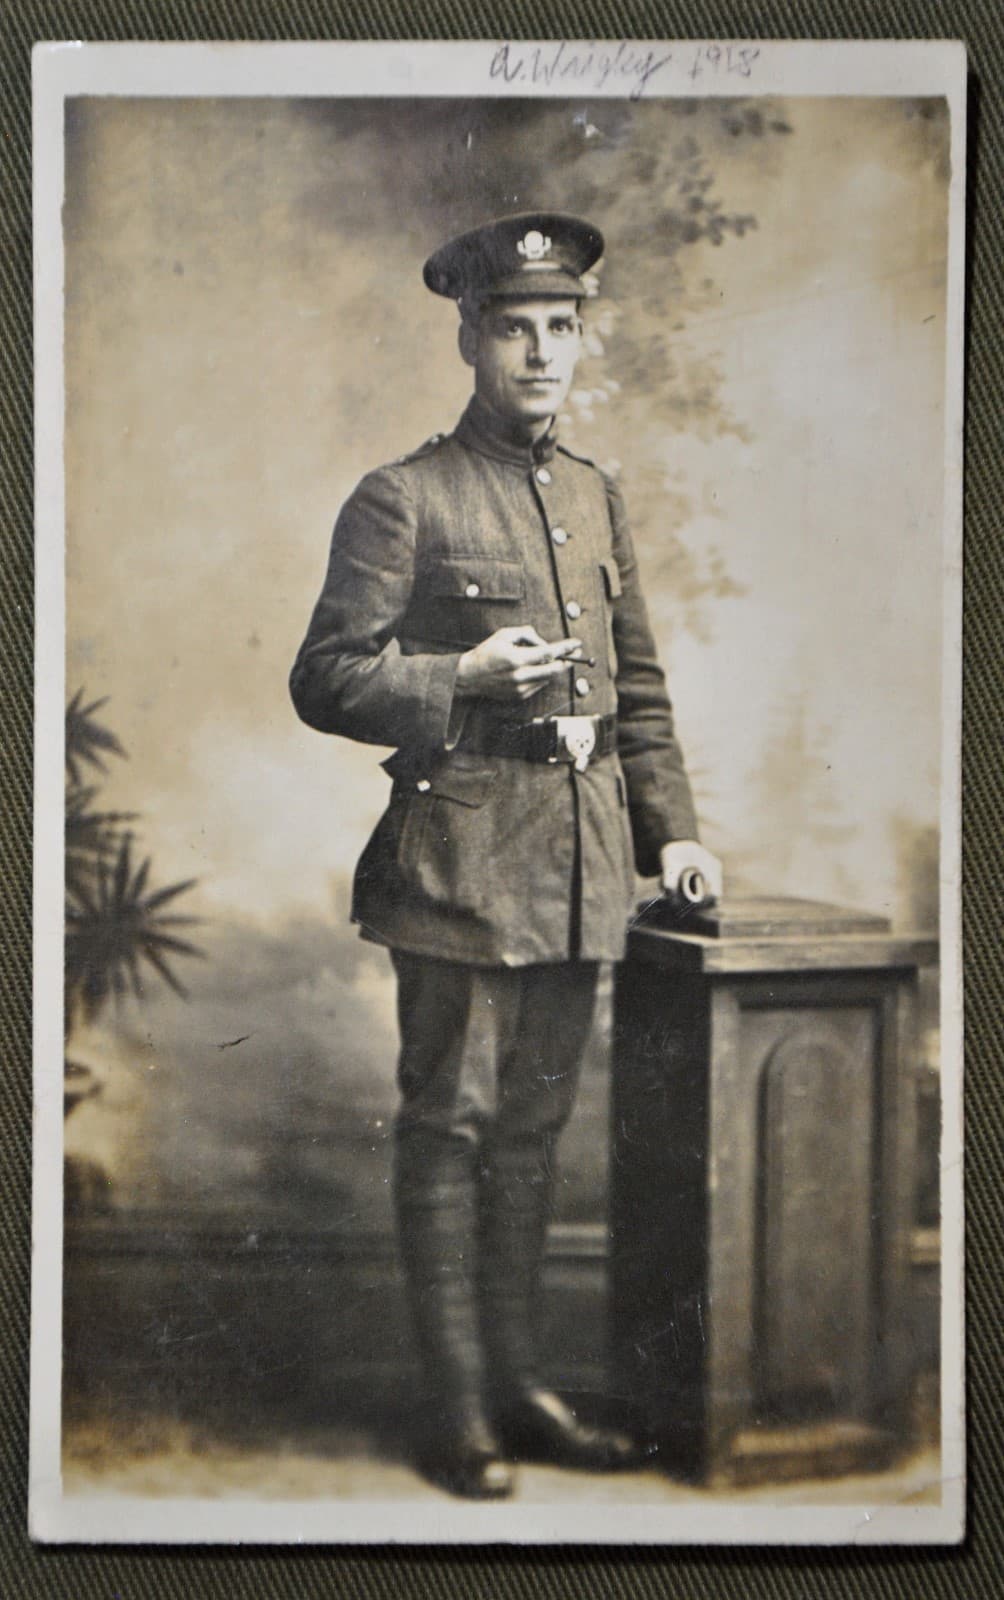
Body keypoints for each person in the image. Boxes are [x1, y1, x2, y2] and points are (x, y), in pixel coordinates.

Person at [290, 212, 722, 1499]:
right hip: (460, 859)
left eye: (560, 327)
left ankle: (524, 1387)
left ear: (581, 340)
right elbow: (324, 675)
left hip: (584, 860)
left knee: (532, 1135)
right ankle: (459, 1408)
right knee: (450, 1128)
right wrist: (457, 673)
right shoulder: (403, 495)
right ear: (470, 339)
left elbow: (635, 684)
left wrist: (675, 828)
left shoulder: (595, 493)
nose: (539, 352)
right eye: (513, 327)